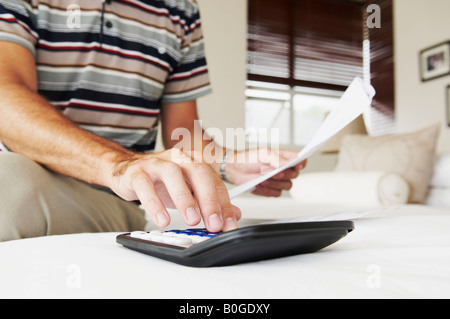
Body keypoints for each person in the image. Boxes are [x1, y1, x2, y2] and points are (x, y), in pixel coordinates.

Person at [0, 0, 305, 242]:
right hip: (33, 175)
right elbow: (6, 98)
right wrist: (119, 165)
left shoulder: (181, 11)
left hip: (115, 198)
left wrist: (228, 162)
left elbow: (183, 133)